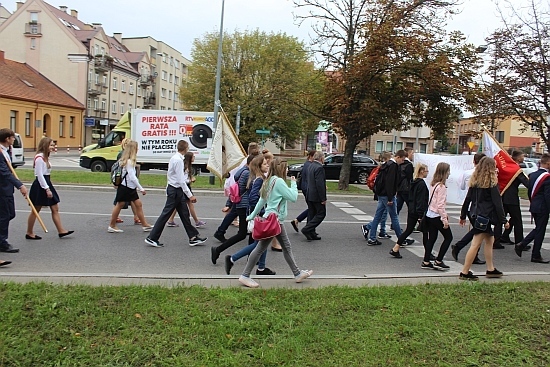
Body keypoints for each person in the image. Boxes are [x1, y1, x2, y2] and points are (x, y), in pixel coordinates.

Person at [239, 158, 313, 288]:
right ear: (281, 168)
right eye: (286, 167)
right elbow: (293, 197)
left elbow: (261, 201)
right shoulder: (279, 182)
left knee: (285, 247)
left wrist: (252, 215)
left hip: (272, 219)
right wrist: (294, 183)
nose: (288, 170)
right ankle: (245, 275)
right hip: (275, 220)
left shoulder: (269, 180)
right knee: (261, 248)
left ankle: (297, 273)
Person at [145, 140, 207, 247]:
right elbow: (180, 180)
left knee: (184, 214)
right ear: (186, 148)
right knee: (165, 215)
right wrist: (190, 195)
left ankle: (193, 237)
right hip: (175, 190)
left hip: (175, 190)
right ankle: (152, 237)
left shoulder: (175, 158)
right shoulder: (178, 160)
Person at [225, 155, 276, 275]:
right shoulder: (258, 179)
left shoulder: (259, 178)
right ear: (258, 166)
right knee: (259, 244)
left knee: (262, 242)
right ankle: (232, 259)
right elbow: (253, 199)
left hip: (257, 215)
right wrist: (262, 212)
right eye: (264, 164)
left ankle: (261, 268)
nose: (267, 165)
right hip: (260, 216)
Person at [459, 157, 509, 280]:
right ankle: (465, 272)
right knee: (475, 244)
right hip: (485, 217)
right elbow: (498, 204)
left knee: (489, 241)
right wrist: (504, 220)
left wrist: (463, 215)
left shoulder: (475, 181)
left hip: (476, 215)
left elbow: (467, 200)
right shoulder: (492, 184)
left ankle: (490, 268)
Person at [26, 137, 74, 239]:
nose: (53, 147)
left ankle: (61, 230)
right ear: (45, 146)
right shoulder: (39, 158)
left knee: (55, 207)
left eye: (53, 145)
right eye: (51, 145)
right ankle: (29, 232)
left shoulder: (45, 157)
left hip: (46, 183)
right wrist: (46, 189)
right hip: (40, 185)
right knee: (36, 210)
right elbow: (39, 175)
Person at [210, 155, 253, 264]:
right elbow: (242, 190)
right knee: (243, 234)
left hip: (242, 205)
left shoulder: (243, 172)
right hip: (244, 206)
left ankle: (252, 258)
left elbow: (237, 189)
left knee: (249, 234)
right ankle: (218, 250)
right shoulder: (247, 173)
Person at [214, 142, 260, 242]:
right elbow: (244, 186)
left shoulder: (244, 166)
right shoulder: (247, 171)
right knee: (239, 218)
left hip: (238, 197)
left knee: (232, 214)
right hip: (242, 198)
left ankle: (221, 231)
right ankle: (225, 233)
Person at [451, 153, 490, 264]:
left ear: (474, 161)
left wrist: (463, 214)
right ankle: (461, 248)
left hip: (469, 206)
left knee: (481, 231)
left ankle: (472, 254)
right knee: (478, 230)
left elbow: (462, 187)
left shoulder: (467, 173)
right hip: (481, 208)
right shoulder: (485, 176)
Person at [108, 140, 153, 233]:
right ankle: (112, 225)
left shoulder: (128, 161)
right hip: (126, 187)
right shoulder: (129, 162)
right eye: (137, 148)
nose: (138, 149)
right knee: (119, 205)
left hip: (129, 187)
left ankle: (145, 225)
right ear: (133, 149)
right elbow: (133, 177)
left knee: (138, 204)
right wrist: (141, 188)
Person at [364, 150, 406, 245]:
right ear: (398, 157)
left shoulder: (386, 164)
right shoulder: (393, 166)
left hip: (381, 194)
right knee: (394, 217)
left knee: (378, 216)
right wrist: (391, 198)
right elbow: (390, 183)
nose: (402, 162)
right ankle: (401, 239)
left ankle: (372, 238)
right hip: (387, 195)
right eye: (402, 160)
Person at [514, 153, 550, 264]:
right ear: (548, 163)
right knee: (540, 231)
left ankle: (522, 244)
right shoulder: (547, 177)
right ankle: (535, 255)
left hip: (534, 205)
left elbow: (530, 191)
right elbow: (547, 195)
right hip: (542, 207)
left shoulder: (533, 175)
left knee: (538, 228)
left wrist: (532, 202)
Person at [389, 163, 428, 258]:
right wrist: (420, 215)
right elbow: (421, 200)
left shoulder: (413, 182)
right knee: (426, 232)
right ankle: (428, 254)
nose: (427, 173)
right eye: (427, 171)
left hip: (411, 210)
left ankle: (396, 248)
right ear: (422, 171)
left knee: (408, 230)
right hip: (418, 211)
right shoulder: (421, 184)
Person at [0, 128, 28, 255]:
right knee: (4, 216)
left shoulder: (6, 151)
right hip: (2, 189)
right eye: (13, 138)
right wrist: (20, 185)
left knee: (10, 214)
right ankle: (2, 242)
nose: (14, 140)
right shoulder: (0, 152)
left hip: (7, 189)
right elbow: (4, 173)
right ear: (7, 139)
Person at [421, 162, 452, 270]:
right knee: (448, 237)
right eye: (448, 171)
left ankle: (426, 261)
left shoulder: (433, 184)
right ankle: (439, 260)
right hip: (437, 216)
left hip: (430, 214)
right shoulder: (442, 187)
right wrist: (445, 219)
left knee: (432, 238)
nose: (449, 173)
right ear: (444, 172)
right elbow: (440, 205)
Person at [495, 150, 529, 248]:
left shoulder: (506, 168)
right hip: (512, 199)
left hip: (502, 196)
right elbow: (527, 183)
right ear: (518, 158)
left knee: (500, 219)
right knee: (517, 220)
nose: (523, 158)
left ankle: (499, 239)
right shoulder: (516, 169)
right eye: (522, 156)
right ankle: (520, 242)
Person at [167, 152, 206, 228]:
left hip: (184, 187)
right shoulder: (185, 166)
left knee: (177, 205)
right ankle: (196, 221)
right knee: (190, 204)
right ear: (190, 158)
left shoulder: (187, 166)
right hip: (184, 187)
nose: (194, 158)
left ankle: (170, 220)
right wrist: (190, 180)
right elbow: (182, 180)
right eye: (193, 157)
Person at [361, 152, 393, 240]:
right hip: (383, 193)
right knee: (382, 214)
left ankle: (381, 231)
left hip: (379, 193)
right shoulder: (385, 167)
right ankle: (368, 227)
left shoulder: (380, 167)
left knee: (383, 213)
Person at [301, 151, 327, 240]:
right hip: (316, 195)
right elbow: (320, 184)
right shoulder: (319, 168)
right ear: (321, 158)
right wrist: (323, 198)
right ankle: (307, 229)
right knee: (321, 213)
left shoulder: (310, 165)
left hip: (309, 193)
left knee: (312, 213)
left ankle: (311, 232)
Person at [114, 138, 140, 225]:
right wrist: (141, 188)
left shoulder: (127, 156)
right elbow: (130, 174)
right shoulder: (125, 157)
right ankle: (112, 223)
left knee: (136, 203)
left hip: (128, 185)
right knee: (120, 203)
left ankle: (140, 220)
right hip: (125, 185)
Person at [290, 149, 316, 233]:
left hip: (305, 188)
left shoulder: (306, 164)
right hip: (308, 189)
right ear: (311, 156)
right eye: (315, 156)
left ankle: (298, 221)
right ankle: (309, 228)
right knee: (313, 209)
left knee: (312, 208)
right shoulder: (310, 165)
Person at [396, 147, 414, 215]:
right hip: (406, 188)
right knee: (411, 207)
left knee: (397, 207)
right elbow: (410, 178)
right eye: (412, 153)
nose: (413, 155)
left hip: (399, 188)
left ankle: (394, 224)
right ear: (408, 153)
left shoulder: (400, 163)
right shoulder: (409, 165)